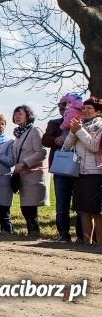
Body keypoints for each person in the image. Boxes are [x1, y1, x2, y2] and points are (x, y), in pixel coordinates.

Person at [42, 94, 81, 243]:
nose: (63, 107)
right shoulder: (55, 123)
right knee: (61, 205)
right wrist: (58, 140)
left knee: (79, 205)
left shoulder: (81, 122)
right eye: (61, 105)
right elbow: (45, 140)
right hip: (60, 168)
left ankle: (82, 236)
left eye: (66, 104)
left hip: (79, 168)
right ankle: (63, 235)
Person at [63, 96, 102, 245]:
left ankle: (99, 243)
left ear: (98, 112)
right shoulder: (78, 126)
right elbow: (66, 147)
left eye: (89, 108)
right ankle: (86, 242)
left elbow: (94, 147)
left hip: (95, 173)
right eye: (83, 108)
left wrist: (79, 131)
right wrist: (73, 132)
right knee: (83, 210)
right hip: (79, 172)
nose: (85, 111)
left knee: (96, 211)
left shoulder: (100, 128)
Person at [9, 104, 49, 237]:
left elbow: (42, 152)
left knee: (30, 209)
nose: (17, 116)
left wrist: (24, 163)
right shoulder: (18, 134)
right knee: (25, 208)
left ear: (28, 116)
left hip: (33, 176)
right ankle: (32, 233)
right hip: (22, 177)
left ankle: (34, 235)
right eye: (15, 114)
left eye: (20, 113)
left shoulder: (35, 131)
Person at [0, 126, 16, 233]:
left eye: (3, 124)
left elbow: (10, 161)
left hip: (3, 181)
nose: (0, 126)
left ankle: (8, 234)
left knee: (3, 214)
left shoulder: (9, 142)